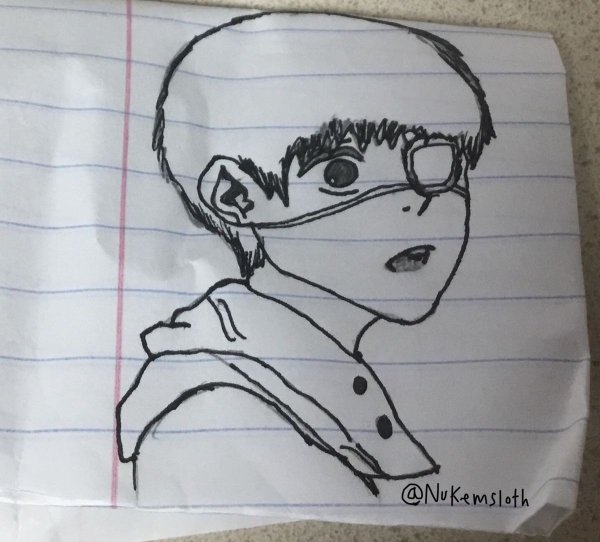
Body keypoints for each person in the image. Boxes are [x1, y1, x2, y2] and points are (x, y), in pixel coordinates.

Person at [116, 11, 494, 497]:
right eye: (341, 174)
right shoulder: (219, 407)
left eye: (443, 161)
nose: (420, 200)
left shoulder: (334, 377)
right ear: (235, 197)